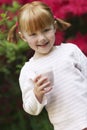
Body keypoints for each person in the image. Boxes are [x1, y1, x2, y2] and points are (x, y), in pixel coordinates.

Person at [7, 1, 87, 130]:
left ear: (54, 27)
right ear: (23, 37)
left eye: (46, 30)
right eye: (33, 34)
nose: (42, 38)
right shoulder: (29, 70)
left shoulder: (70, 51)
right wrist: (37, 93)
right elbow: (30, 109)